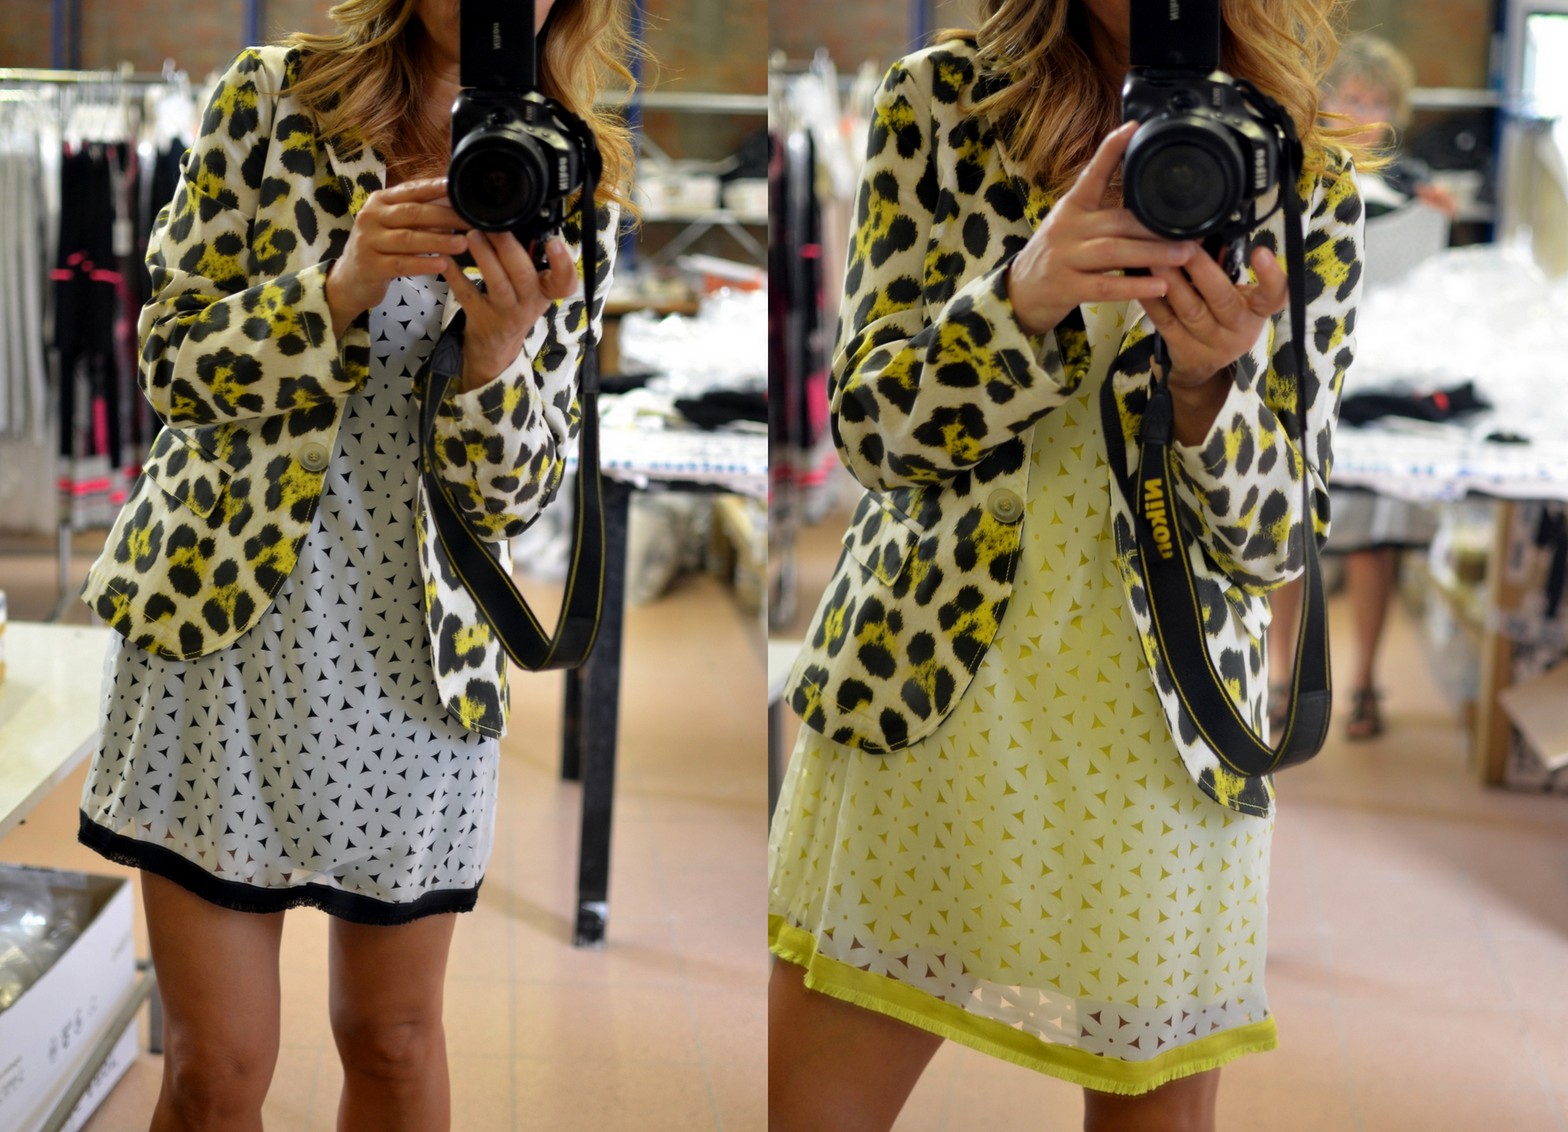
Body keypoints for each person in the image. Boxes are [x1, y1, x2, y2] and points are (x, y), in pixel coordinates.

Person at [769, 1, 1366, 1129]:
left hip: (1168, 734)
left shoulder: (1300, 172)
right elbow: (870, 434)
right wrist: (1023, 296)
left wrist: (1208, 391)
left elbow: (1278, 537)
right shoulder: (946, 103)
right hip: (924, 692)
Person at [74, 1, 635, 1128]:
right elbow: (170, 361)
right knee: (215, 1071)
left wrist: (493, 357)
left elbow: (519, 496)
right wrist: (334, 291)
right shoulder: (274, 97)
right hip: (222, 626)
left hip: (416, 660)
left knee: (392, 1040)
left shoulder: (568, 176)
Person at [1268, 33, 1452, 741]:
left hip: (1383, 393)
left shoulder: (1413, 188)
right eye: (1353, 96)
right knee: (1288, 536)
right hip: (1306, 382)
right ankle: (1278, 678)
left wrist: (1436, 217)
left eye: (1379, 101)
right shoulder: (1295, 172)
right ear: (1325, 99)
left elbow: (1432, 291)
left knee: (1377, 540)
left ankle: (1366, 683)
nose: (1365, 113)